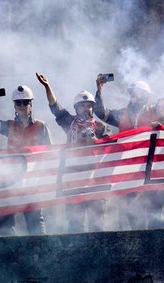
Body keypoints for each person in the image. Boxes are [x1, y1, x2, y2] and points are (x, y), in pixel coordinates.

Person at [38, 72, 112, 232]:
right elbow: (55, 108)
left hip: (95, 181)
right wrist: (47, 86)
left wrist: (95, 141)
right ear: (76, 108)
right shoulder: (69, 122)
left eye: (89, 105)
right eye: (82, 106)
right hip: (73, 179)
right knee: (74, 224)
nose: (86, 108)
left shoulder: (101, 127)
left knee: (97, 224)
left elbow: (109, 149)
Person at [0, 85, 51, 235]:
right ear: (14, 106)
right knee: (5, 220)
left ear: (31, 104)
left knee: (35, 221)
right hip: (12, 180)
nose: (22, 106)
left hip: (32, 181)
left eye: (25, 102)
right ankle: (11, 255)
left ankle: (40, 252)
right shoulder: (8, 125)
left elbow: (50, 153)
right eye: (18, 103)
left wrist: (44, 179)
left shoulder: (41, 126)